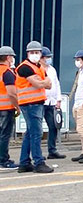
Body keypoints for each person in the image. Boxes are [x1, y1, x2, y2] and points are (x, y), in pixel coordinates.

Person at [15, 41, 54, 173]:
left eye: (37, 52)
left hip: (36, 103)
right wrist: (42, 82)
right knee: (36, 133)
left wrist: (42, 82)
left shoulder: (39, 68)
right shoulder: (24, 67)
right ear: (27, 53)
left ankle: (24, 162)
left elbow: (49, 84)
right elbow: (38, 84)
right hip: (30, 104)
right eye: (32, 52)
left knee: (30, 133)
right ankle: (39, 162)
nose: (35, 55)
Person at [40, 47, 65, 159]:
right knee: (36, 129)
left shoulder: (52, 70)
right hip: (41, 102)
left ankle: (52, 150)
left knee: (53, 126)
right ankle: (35, 153)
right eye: (47, 57)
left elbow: (56, 84)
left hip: (51, 102)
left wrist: (58, 99)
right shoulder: (38, 69)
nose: (49, 59)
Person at [0, 46, 20, 169]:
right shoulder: (7, 72)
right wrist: (17, 107)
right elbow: (11, 93)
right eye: (12, 57)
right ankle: (3, 160)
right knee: (4, 135)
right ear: (8, 57)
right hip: (6, 108)